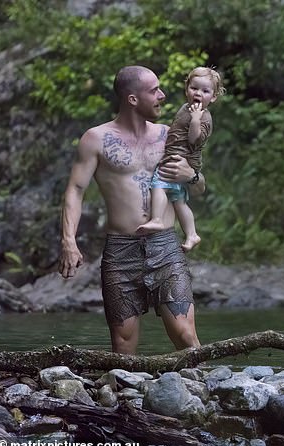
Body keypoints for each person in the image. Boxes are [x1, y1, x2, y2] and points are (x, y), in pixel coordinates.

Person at [58, 65, 206, 355]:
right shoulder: (95, 139)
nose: (162, 95)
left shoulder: (170, 136)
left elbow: (199, 188)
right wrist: (68, 241)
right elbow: (75, 190)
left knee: (186, 336)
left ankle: (204, 396)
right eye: (154, 91)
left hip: (165, 246)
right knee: (123, 346)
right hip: (120, 251)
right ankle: (127, 397)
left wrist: (192, 175)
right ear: (132, 99)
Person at [136, 67, 225, 251]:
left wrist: (195, 120)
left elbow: (194, 139)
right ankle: (192, 234)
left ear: (213, 97)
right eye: (194, 88)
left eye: (205, 91)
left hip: (180, 159)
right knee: (179, 200)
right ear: (187, 90)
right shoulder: (187, 107)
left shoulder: (204, 117)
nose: (198, 93)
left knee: (159, 184)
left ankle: (157, 219)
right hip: (176, 155)